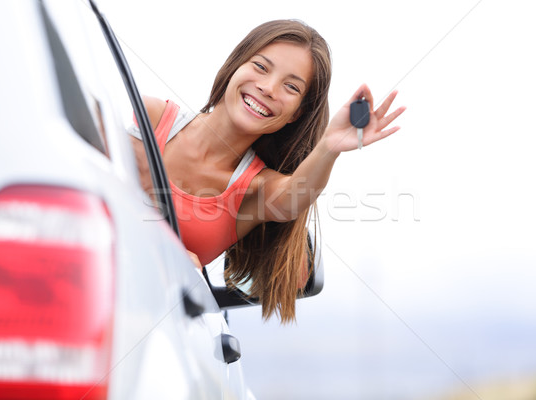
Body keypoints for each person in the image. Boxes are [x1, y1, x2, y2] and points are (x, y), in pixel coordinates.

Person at [130, 19, 405, 322]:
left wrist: (329, 146)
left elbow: (293, 197)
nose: (268, 88)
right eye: (261, 67)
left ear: (296, 113)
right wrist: (174, 254)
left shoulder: (255, 188)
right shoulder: (151, 118)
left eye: (291, 86)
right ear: (235, 65)